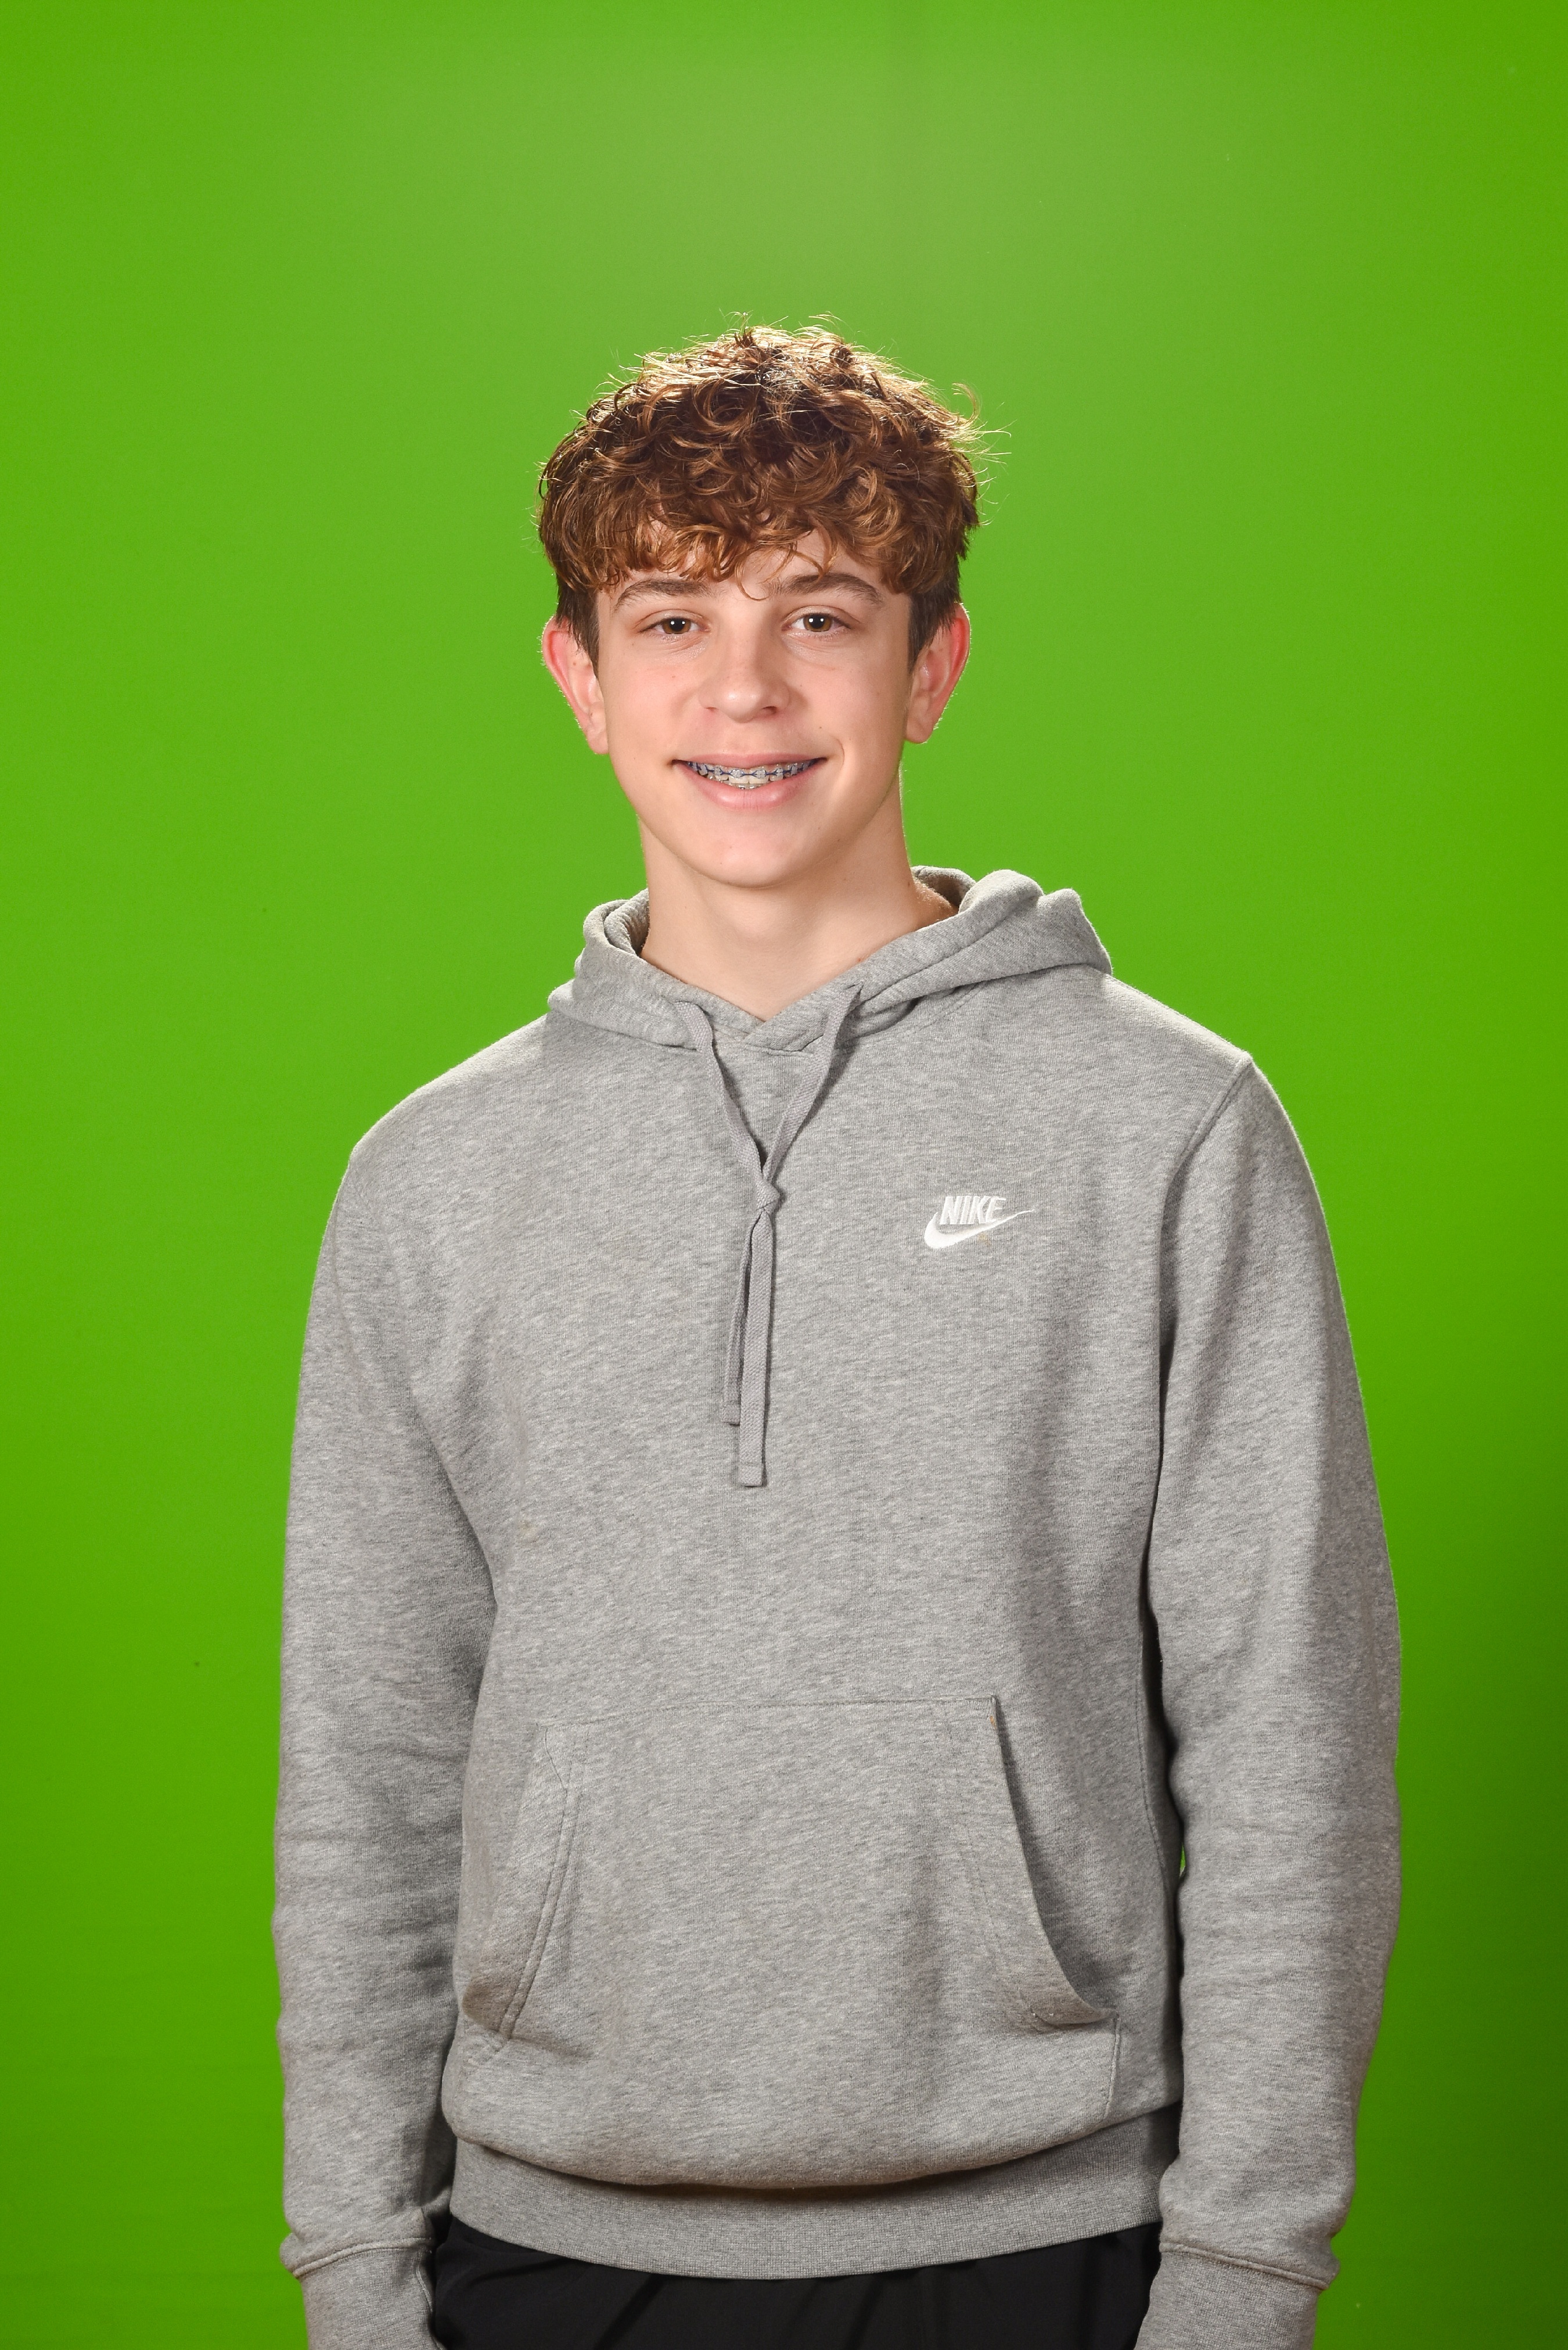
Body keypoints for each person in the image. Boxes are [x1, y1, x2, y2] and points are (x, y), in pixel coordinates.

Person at [274, 327, 1400, 2350]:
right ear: (579, 677)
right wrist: (357, 2269)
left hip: (1053, 2239)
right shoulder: (433, 1178)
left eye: (819, 613)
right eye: (671, 616)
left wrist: (1240, 2275)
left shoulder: (1167, 1123)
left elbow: (1288, 1738)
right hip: (539, 2244)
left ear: (929, 666)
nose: (745, 688)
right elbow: (369, 1760)